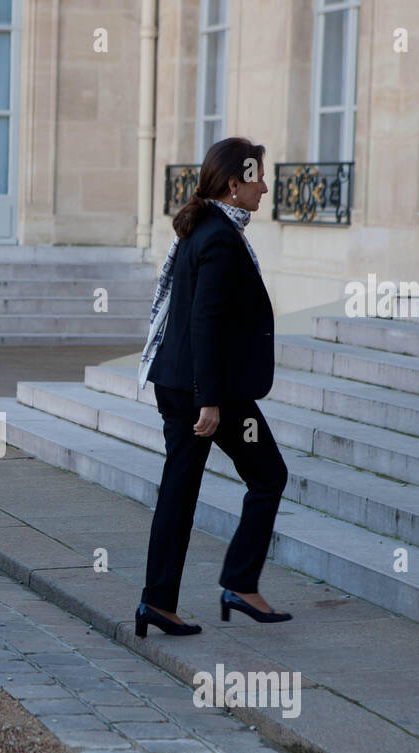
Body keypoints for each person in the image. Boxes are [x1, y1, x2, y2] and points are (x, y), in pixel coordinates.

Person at [134, 136, 291, 638]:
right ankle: (238, 586)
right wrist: (210, 400)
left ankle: (161, 601)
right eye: (257, 178)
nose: (264, 188)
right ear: (233, 183)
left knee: (180, 492)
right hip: (206, 393)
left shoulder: (201, 226)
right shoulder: (220, 237)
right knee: (268, 476)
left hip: (182, 384)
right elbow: (204, 320)